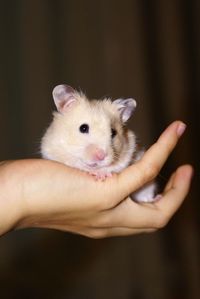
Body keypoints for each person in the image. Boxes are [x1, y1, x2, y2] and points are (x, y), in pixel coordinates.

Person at [0, 121, 193, 238]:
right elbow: (50, 151)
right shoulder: (56, 138)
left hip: (134, 188)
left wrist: (21, 193)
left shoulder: (124, 143)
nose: (100, 153)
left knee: (141, 172)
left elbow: (127, 152)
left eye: (111, 134)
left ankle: (146, 198)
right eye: (84, 128)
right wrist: (21, 194)